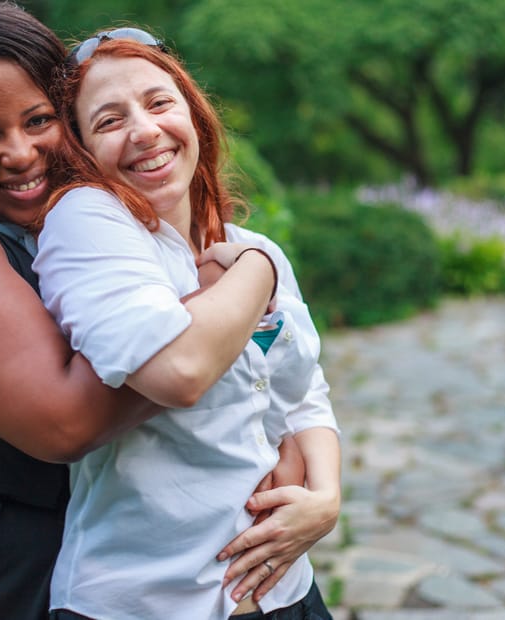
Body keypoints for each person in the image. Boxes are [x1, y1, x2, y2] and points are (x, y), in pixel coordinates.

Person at [0, 4, 306, 619]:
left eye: (39, 121)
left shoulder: (88, 226)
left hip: (82, 557)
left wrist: (303, 473)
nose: (21, 152)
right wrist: (238, 286)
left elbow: (275, 383)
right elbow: (67, 424)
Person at [33, 27, 341, 619]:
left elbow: (307, 394)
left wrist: (324, 500)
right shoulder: (86, 225)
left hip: (287, 594)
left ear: (192, 113)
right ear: (83, 153)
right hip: (146, 601)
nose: (145, 131)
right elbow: (180, 371)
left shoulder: (248, 247)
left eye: (158, 102)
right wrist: (260, 271)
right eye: (109, 120)